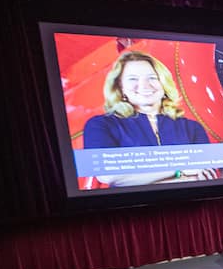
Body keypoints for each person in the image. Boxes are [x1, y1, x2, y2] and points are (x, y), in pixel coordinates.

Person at [81, 50, 215, 186]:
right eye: (133, 79)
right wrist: (179, 171)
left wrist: (141, 177)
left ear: (164, 83)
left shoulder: (192, 127)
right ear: (120, 87)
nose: (145, 85)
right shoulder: (100, 125)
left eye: (153, 77)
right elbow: (108, 175)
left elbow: (204, 175)